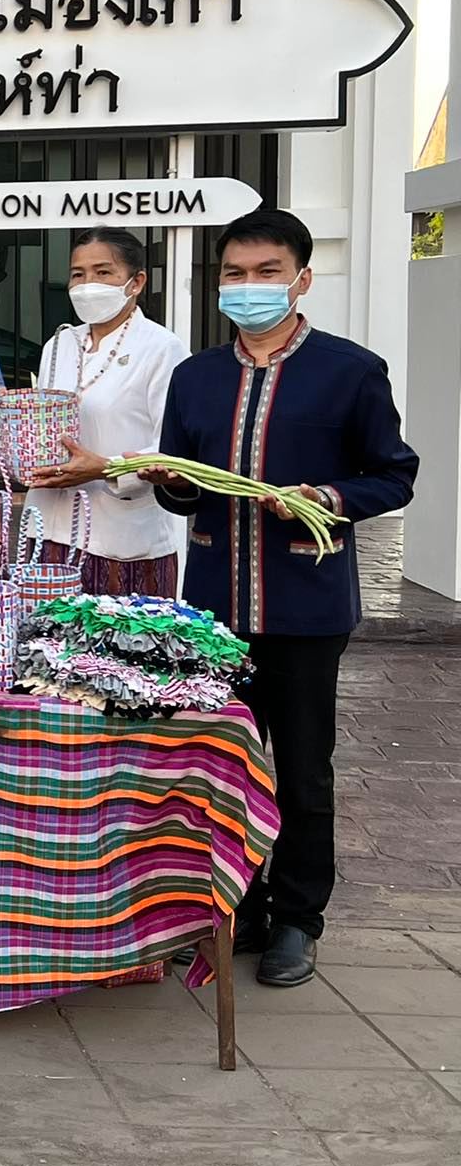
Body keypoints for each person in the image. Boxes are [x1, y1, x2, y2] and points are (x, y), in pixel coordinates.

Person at [143, 208, 415, 989]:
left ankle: (297, 918)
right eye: (235, 273)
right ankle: (236, 910)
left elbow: (392, 474)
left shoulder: (349, 370)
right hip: (217, 608)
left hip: (305, 605)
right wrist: (173, 484)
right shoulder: (196, 377)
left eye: (267, 273)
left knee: (301, 770)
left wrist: (324, 495)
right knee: (220, 764)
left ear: (301, 278)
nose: (250, 287)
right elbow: (183, 490)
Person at [25, 228, 185, 595]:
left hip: (122, 538)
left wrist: (108, 468)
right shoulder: (60, 343)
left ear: (136, 281)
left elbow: (176, 449)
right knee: (46, 647)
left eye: (103, 272)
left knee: (123, 646)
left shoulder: (161, 347)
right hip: (49, 531)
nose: (87, 284)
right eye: (78, 274)